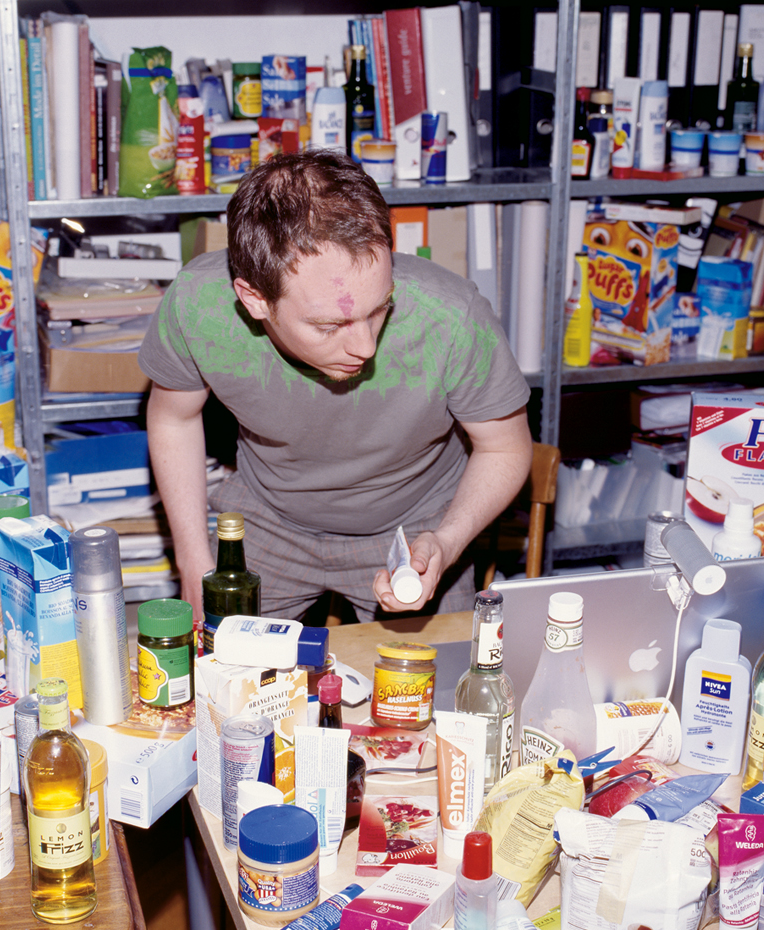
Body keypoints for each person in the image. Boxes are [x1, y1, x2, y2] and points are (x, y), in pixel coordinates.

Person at [139, 152, 533, 622]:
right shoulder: (197, 307)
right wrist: (193, 559)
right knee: (220, 679)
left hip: (415, 526)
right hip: (270, 516)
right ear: (254, 299)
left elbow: (504, 449)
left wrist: (446, 543)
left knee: (433, 688)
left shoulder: (453, 317)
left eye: (379, 307)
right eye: (330, 325)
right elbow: (173, 419)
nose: (365, 346)